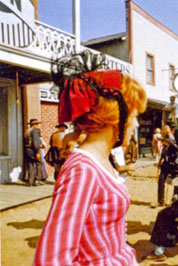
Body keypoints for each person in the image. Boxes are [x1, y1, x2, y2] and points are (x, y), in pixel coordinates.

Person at [33, 51, 147, 266]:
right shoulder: (82, 170)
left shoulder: (100, 164)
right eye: (134, 116)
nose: (137, 125)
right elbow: (52, 258)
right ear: (114, 119)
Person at [23, 119, 44, 186]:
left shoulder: (27, 131)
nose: (37, 126)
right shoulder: (34, 131)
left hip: (27, 150)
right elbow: (36, 143)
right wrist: (37, 152)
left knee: (30, 165)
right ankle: (37, 180)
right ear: (34, 125)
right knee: (38, 163)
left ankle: (30, 181)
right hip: (33, 150)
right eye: (37, 124)